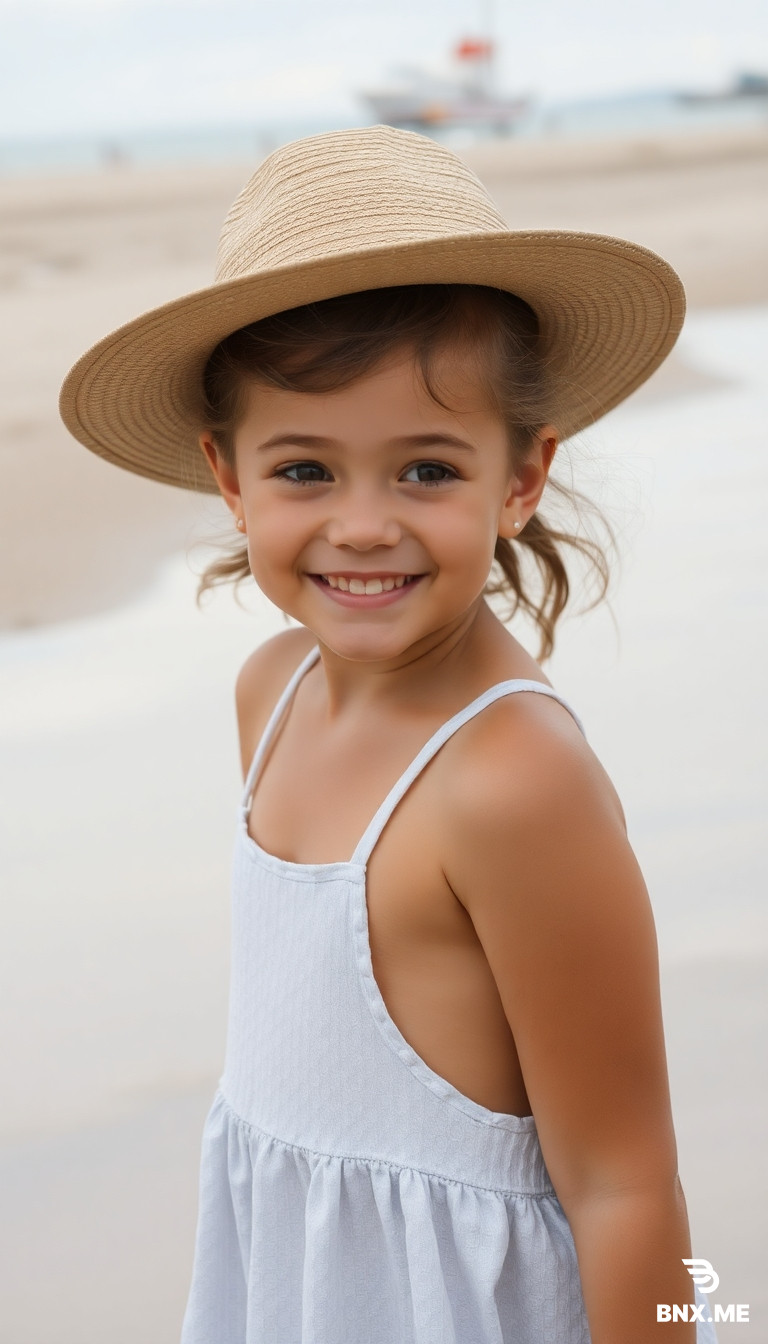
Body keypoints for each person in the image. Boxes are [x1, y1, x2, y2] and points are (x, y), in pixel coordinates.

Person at [60, 126, 718, 1344]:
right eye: (306, 470)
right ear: (228, 475)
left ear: (520, 478)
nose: (363, 526)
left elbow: (629, 1183)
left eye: (425, 470)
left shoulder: (513, 784)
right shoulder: (269, 694)